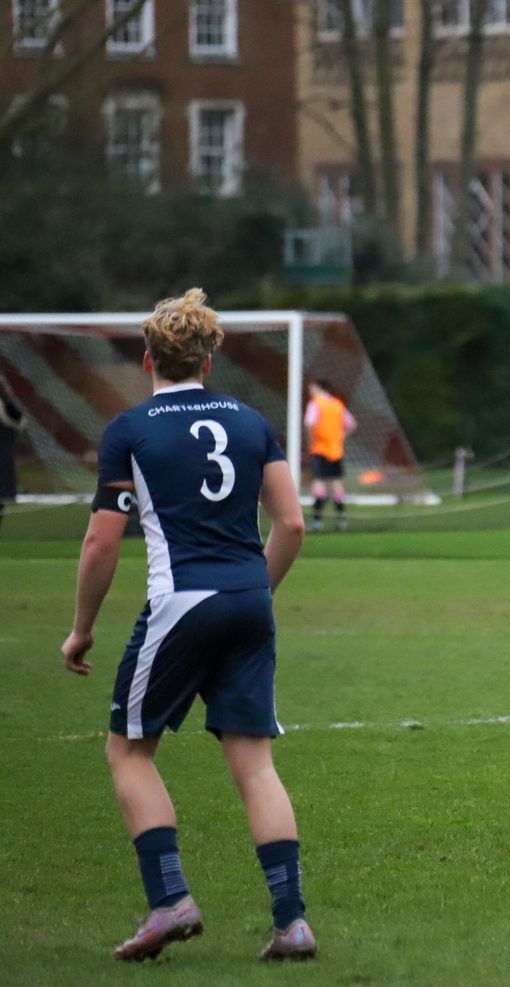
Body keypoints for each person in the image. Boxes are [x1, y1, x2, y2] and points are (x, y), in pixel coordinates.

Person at [58, 289, 316, 962]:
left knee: (128, 749)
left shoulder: (130, 430)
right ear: (209, 360)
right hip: (249, 600)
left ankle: (171, 898)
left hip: (181, 602)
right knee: (255, 765)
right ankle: (291, 922)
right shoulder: (253, 421)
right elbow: (291, 523)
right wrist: (256, 589)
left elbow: (100, 543)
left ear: (148, 358)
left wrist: (81, 627)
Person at [304, 378, 356, 532]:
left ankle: (317, 521)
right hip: (336, 449)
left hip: (320, 448)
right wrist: (340, 437)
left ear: (319, 388)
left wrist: (310, 441)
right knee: (336, 483)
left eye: (312, 387)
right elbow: (351, 424)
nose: (310, 390)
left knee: (319, 482)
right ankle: (341, 521)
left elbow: (309, 423)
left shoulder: (316, 404)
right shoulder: (337, 404)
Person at [0, 378, 24, 532]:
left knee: (2, 498)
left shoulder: (9, 406)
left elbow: (21, 423)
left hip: (3, 456)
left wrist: (4, 418)